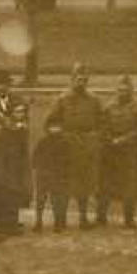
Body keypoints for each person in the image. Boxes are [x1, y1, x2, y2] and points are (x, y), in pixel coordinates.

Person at [46, 64, 104, 228]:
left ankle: (83, 217)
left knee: (84, 184)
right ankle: (61, 219)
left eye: (84, 80)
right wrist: (61, 135)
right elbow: (50, 122)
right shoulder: (62, 99)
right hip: (66, 147)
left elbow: (102, 123)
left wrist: (95, 136)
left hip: (86, 147)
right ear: (72, 80)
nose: (81, 83)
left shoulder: (94, 100)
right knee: (64, 183)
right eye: (78, 79)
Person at [98, 76, 137, 228]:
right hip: (111, 151)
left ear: (131, 91)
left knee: (130, 184)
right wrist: (110, 138)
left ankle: (129, 218)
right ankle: (101, 216)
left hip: (130, 151)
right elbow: (102, 124)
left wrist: (124, 139)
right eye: (120, 90)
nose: (122, 93)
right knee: (105, 183)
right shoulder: (108, 107)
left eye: (126, 90)